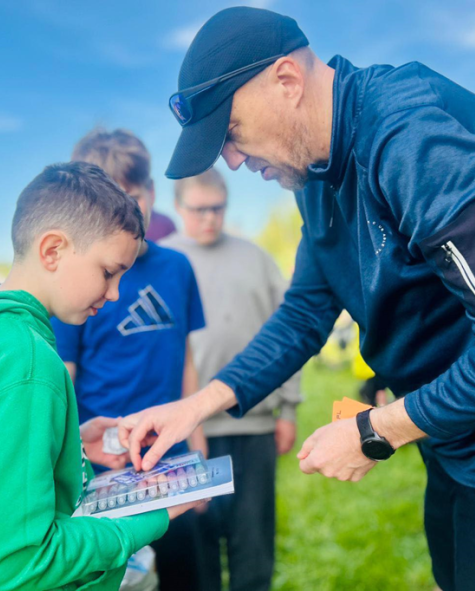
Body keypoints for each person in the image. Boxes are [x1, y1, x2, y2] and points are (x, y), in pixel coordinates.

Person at [120, 7, 475, 591]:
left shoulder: (411, 139)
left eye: (231, 131)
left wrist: (378, 431)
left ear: (287, 81)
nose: (230, 160)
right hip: (455, 439)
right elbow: (304, 313)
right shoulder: (313, 174)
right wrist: (197, 405)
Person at [0, 162, 202, 591]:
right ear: (53, 250)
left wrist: (69, 443)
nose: (115, 293)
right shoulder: (22, 361)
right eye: (108, 272)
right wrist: (141, 522)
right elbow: (16, 562)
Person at [52, 128, 207, 591]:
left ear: (152, 193)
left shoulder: (177, 268)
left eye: (133, 197)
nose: (123, 212)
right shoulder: (77, 285)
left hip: (173, 462)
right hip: (104, 475)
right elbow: (63, 377)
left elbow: (187, 364)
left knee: (189, 576)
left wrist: (198, 449)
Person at [161, 168, 301, 591]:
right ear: (179, 207)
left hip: (253, 425)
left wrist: (289, 408)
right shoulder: (165, 261)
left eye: (217, 208)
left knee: (252, 539)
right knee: (197, 544)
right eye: (199, 209)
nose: (209, 218)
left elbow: (291, 330)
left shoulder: (254, 257)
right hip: (187, 430)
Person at [72, 130, 176, 242]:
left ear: (151, 192)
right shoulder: (66, 256)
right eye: (104, 203)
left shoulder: (166, 231)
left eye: (132, 200)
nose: (120, 217)